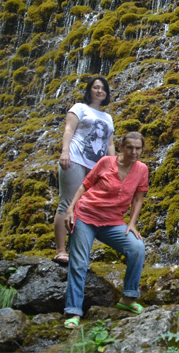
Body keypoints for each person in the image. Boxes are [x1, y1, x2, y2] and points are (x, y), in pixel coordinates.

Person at [63, 132, 149, 329]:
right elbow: (84, 186)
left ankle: (128, 298)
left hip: (113, 222)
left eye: (138, 148)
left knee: (137, 248)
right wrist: (70, 209)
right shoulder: (105, 162)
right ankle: (73, 311)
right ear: (121, 147)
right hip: (86, 216)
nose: (134, 152)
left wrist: (132, 223)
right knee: (79, 263)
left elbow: (138, 198)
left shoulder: (142, 169)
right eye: (130, 147)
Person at [54, 76, 116, 265]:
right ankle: (60, 250)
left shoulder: (108, 117)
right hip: (75, 158)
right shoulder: (79, 108)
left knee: (83, 209)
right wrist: (65, 152)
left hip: (95, 167)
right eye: (96, 87)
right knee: (68, 202)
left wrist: (113, 167)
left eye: (103, 88)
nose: (99, 91)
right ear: (89, 90)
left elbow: (110, 144)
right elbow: (68, 130)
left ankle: (76, 253)